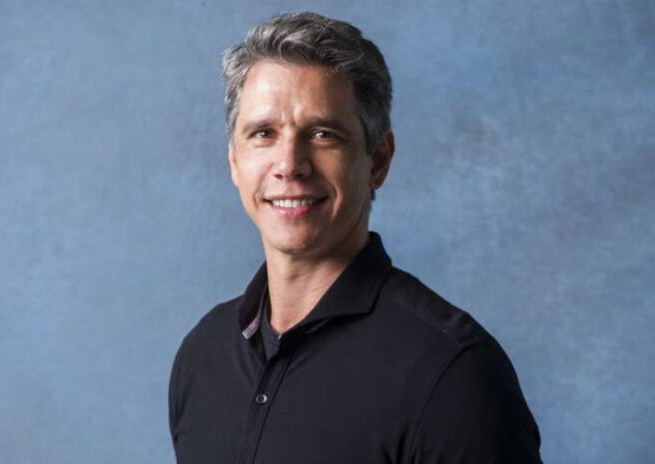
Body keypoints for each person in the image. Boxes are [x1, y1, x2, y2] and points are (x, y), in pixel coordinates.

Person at [169, 11, 542, 464]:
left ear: (377, 161)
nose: (289, 165)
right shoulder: (203, 354)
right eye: (263, 133)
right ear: (234, 161)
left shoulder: (454, 373)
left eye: (322, 134)